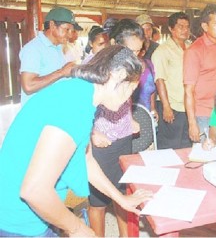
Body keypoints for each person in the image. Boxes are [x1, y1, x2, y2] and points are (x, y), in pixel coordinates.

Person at [0, 45, 152, 236]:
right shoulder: (74, 106)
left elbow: (86, 159)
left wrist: (121, 199)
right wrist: (77, 228)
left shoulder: (80, 92)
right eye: (131, 88)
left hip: (34, 212)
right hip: (18, 219)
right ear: (117, 75)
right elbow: (34, 191)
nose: (130, 96)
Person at [87, 19, 145, 237]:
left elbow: (124, 98)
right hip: (101, 140)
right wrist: (93, 132)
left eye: (139, 51)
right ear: (113, 44)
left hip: (122, 136)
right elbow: (80, 108)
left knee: (123, 190)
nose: (134, 56)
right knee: (98, 199)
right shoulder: (94, 67)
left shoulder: (131, 66)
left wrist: (129, 119)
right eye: (130, 50)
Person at [183, 3, 216, 143]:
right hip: (204, 115)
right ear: (205, 26)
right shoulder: (195, 51)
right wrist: (192, 123)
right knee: (206, 159)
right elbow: (189, 91)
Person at [19, 6, 77, 105]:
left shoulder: (58, 47)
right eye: (67, 29)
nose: (70, 35)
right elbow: (28, 86)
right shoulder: (33, 49)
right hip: (38, 114)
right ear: (52, 25)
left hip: (52, 111)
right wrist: (61, 72)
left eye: (71, 31)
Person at [152, 12, 192, 150]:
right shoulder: (162, 51)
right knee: (171, 147)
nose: (185, 30)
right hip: (173, 106)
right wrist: (166, 107)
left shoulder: (191, 47)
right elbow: (159, 80)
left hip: (190, 106)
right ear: (171, 28)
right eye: (180, 26)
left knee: (187, 146)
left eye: (187, 26)